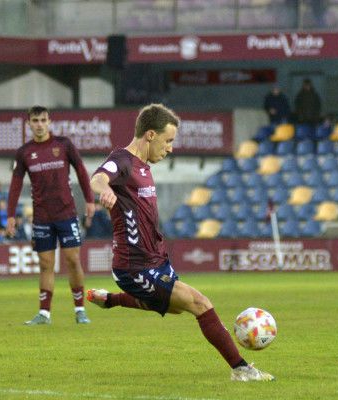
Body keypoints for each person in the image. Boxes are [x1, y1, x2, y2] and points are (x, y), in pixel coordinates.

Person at [85, 104, 274, 382]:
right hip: (135, 265)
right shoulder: (123, 160)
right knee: (200, 303)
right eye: (168, 140)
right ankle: (241, 369)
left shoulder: (144, 167)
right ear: (150, 135)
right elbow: (98, 178)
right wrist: (105, 192)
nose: (171, 148)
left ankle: (110, 300)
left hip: (154, 259)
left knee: (175, 307)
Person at [7, 106, 96, 325]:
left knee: (73, 260)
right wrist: (10, 215)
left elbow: (81, 170)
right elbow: (16, 183)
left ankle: (80, 310)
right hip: (42, 217)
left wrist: (90, 199)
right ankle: (44, 314)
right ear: (28, 123)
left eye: (43, 120)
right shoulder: (24, 152)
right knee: (46, 265)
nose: (39, 124)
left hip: (66, 213)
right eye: (35, 120)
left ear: (49, 122)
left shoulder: (63, 145)